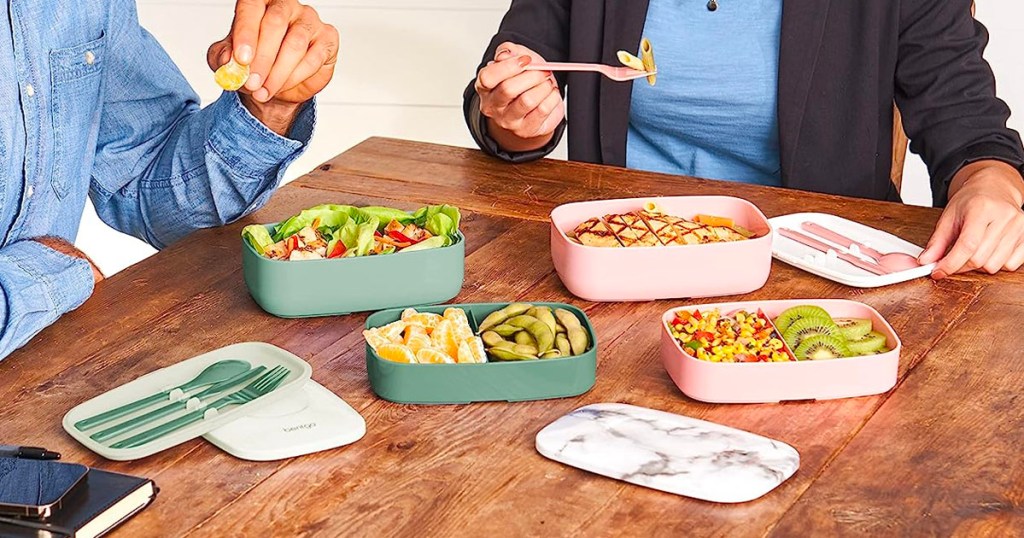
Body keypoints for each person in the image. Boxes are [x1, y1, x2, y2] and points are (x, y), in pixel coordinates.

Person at [463, 0, 1024, 280]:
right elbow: (504, 81)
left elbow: (968, 125)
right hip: (617, 255)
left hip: (813, 271)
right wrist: (510, 116)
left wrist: (990, 184)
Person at [0, 0, 338, 360]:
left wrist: (267, 105)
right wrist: (45, 277)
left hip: (49, 379)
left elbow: (150, 184)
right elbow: (47, 275)